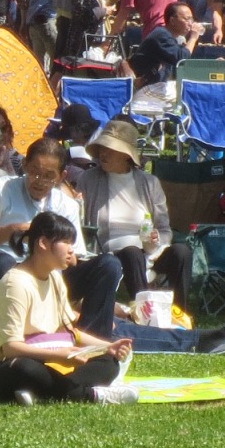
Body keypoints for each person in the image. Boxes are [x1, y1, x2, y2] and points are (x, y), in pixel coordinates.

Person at [0, 212, 136, 406]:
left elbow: (71, 333)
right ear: (43, 243)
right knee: (25, 369)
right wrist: (58, 356)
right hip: (2, 368)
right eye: (66, 242)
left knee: (108, 361)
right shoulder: (14, 285)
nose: (72, 251)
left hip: (49, 360)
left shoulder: (55, 278)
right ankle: (91, 396)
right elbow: (11, 348)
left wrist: (107, 347)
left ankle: (41, 392)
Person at [0, 138, 123, 339]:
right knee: (2, 261)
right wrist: (13, 230)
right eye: (34, 172)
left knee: (108, 264)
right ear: (24, 165)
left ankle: (91, 342)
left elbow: (75, 257)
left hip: (51, 278)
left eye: (49, 176)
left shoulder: (67, 205)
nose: (39, 180)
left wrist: (52, 248)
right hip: (4, 272)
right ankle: (15, 337)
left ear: (61, 176)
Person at [76, 120, 192, 308]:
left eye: (110, 149)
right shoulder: (89, 179)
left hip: (149, 251)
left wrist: (156, 241)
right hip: (111, 254)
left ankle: (181, 313)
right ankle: (144, 312)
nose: (103, 154)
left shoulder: (149, 183)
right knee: (131, 252)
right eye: (102, 148)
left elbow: (164, 229)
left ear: (126, 155)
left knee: (182, 252)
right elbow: (80, 220)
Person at [127, 1, 202, 86]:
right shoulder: (161, 35)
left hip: (156, 87)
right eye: (186, 19)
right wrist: (193, 37)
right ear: (172, 21)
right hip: (144, 88)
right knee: (185, 94)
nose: (190, 23)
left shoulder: (173, 37)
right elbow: (181, 59)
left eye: (191, 19)